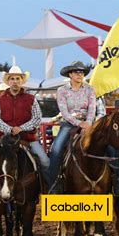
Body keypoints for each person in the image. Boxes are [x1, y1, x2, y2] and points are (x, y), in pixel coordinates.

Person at [0, 66, 50, 188]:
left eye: (17, 79)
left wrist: (21, 128)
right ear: (8, 81)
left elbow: (37, 118)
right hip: (3, 139)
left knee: (45, 161)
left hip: (27, 138)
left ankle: (47, 189)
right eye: (12, 79)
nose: (15, 81)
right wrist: (10, 129)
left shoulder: (31, 99)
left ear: (21, 81)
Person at [48, 61, 96, 193]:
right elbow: (64, 112)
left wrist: (88, 123)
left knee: (106, 144)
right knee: (56, 150)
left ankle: (115, 180)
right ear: (70, 74)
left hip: (88, 123)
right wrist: (79, 123)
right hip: (68, 124)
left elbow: (92, 108)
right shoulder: (62, 90)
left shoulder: (90, 89)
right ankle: (54, 184)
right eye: (77, 72)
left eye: (82, 72)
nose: (80, 75)